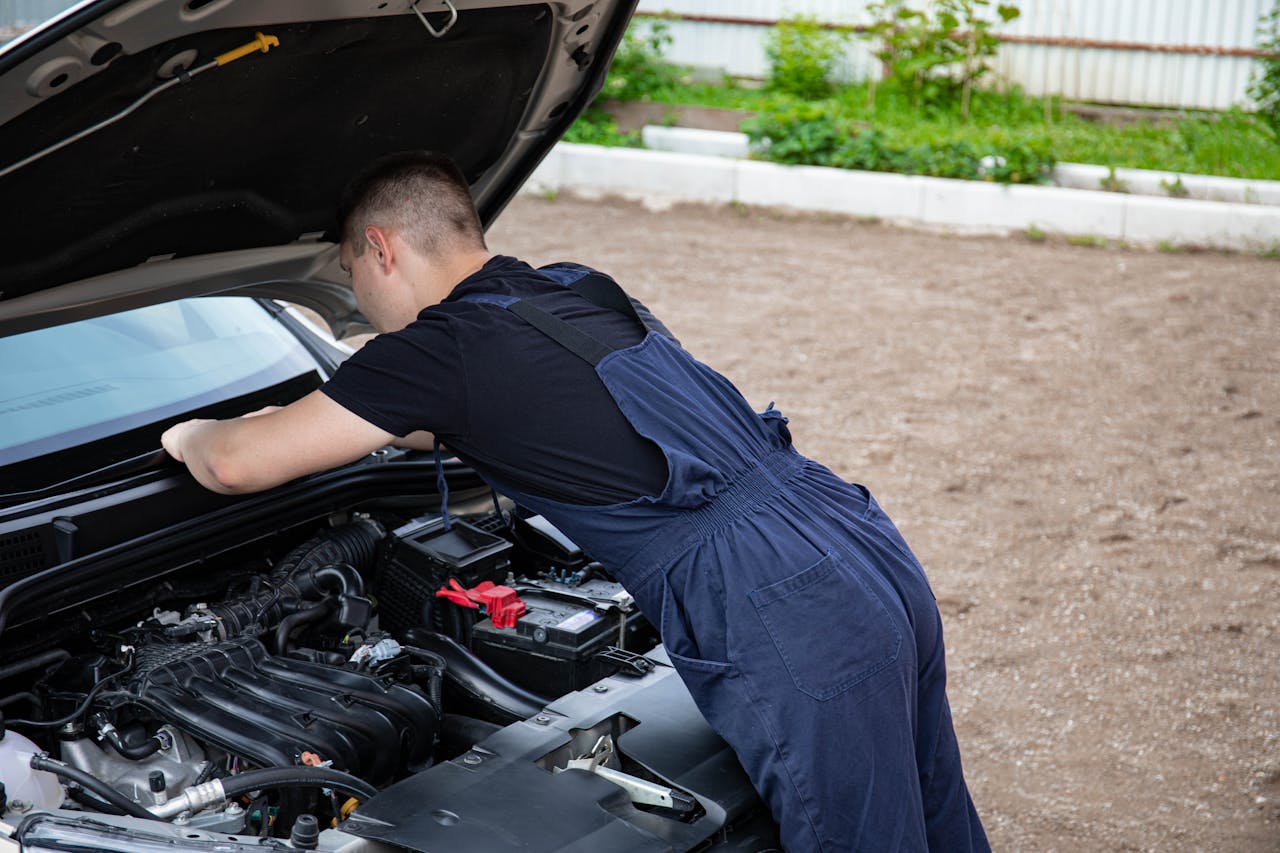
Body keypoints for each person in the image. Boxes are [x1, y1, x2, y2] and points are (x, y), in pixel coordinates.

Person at [162, 150, 989, 852]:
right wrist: (306, 419)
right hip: (851, 539)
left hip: (774, 600)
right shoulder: (572, 289)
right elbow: (507, 411)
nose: (357, 303)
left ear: (378, 248)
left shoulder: (437, 346)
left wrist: (186, 430)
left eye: (348, 274)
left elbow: (233, 465)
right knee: (931, 812)